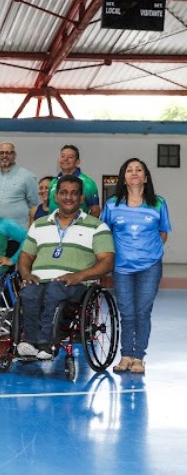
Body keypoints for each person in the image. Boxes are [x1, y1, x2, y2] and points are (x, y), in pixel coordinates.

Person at [17, 175, 114, 360]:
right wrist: (26, 273)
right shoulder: (39, 224)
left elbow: (107, 262)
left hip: (76, 284)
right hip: (40, 281)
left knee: (54, 290)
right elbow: (25, 256)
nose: (68, 197)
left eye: (74, 193)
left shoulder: (97, 227)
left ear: (82, 198)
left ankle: (46, 343)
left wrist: (79, 276)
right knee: (29, 292)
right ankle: (29, 342)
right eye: (63, 193)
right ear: (56, 197)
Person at [102, 158, 171, 374]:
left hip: (150, 267)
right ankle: (125, 355)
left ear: (146, 177)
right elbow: (104, 234)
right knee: (127, 312)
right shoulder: (112, 204)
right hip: (122, 267)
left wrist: (148, 252)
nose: (134, 173)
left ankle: (139, 357)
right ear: (124, 177)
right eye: (129, 170)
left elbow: (163, 233)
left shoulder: (158, 203)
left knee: (142, 311)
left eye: (138, 170)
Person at [0, 141, 39, 229]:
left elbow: (34, 205)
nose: (4, 156)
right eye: (1, 153)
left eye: (8, 153)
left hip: (18, 231)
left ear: (15, 155)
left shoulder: (28, 176)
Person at [47, 145, 101, 217]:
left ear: (77, 162)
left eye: (70, 157)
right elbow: (49, 207)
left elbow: (95, 211)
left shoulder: (88, 184)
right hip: (53, 227)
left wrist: (86, 227)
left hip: (78, 227)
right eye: (62, 156)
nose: (65, 159)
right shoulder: (53, 182)